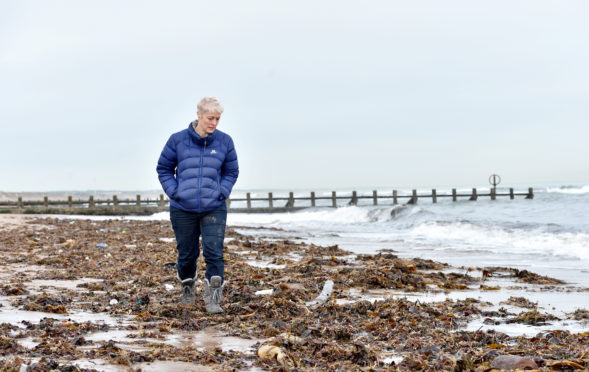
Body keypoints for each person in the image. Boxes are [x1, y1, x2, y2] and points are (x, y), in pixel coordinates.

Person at [156, 97, 239, 313]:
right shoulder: (177, 140)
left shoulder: (225, 141)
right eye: (210, 118)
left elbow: (231, 171)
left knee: (214, 252)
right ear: (199, 115)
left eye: (218, 119)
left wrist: (223, 192)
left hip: (214, 206)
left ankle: (213, 298)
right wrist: (175, 192)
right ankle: (187, 287)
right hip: (183, 207)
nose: (214, 123)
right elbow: (164, 168)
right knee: (187, 254)